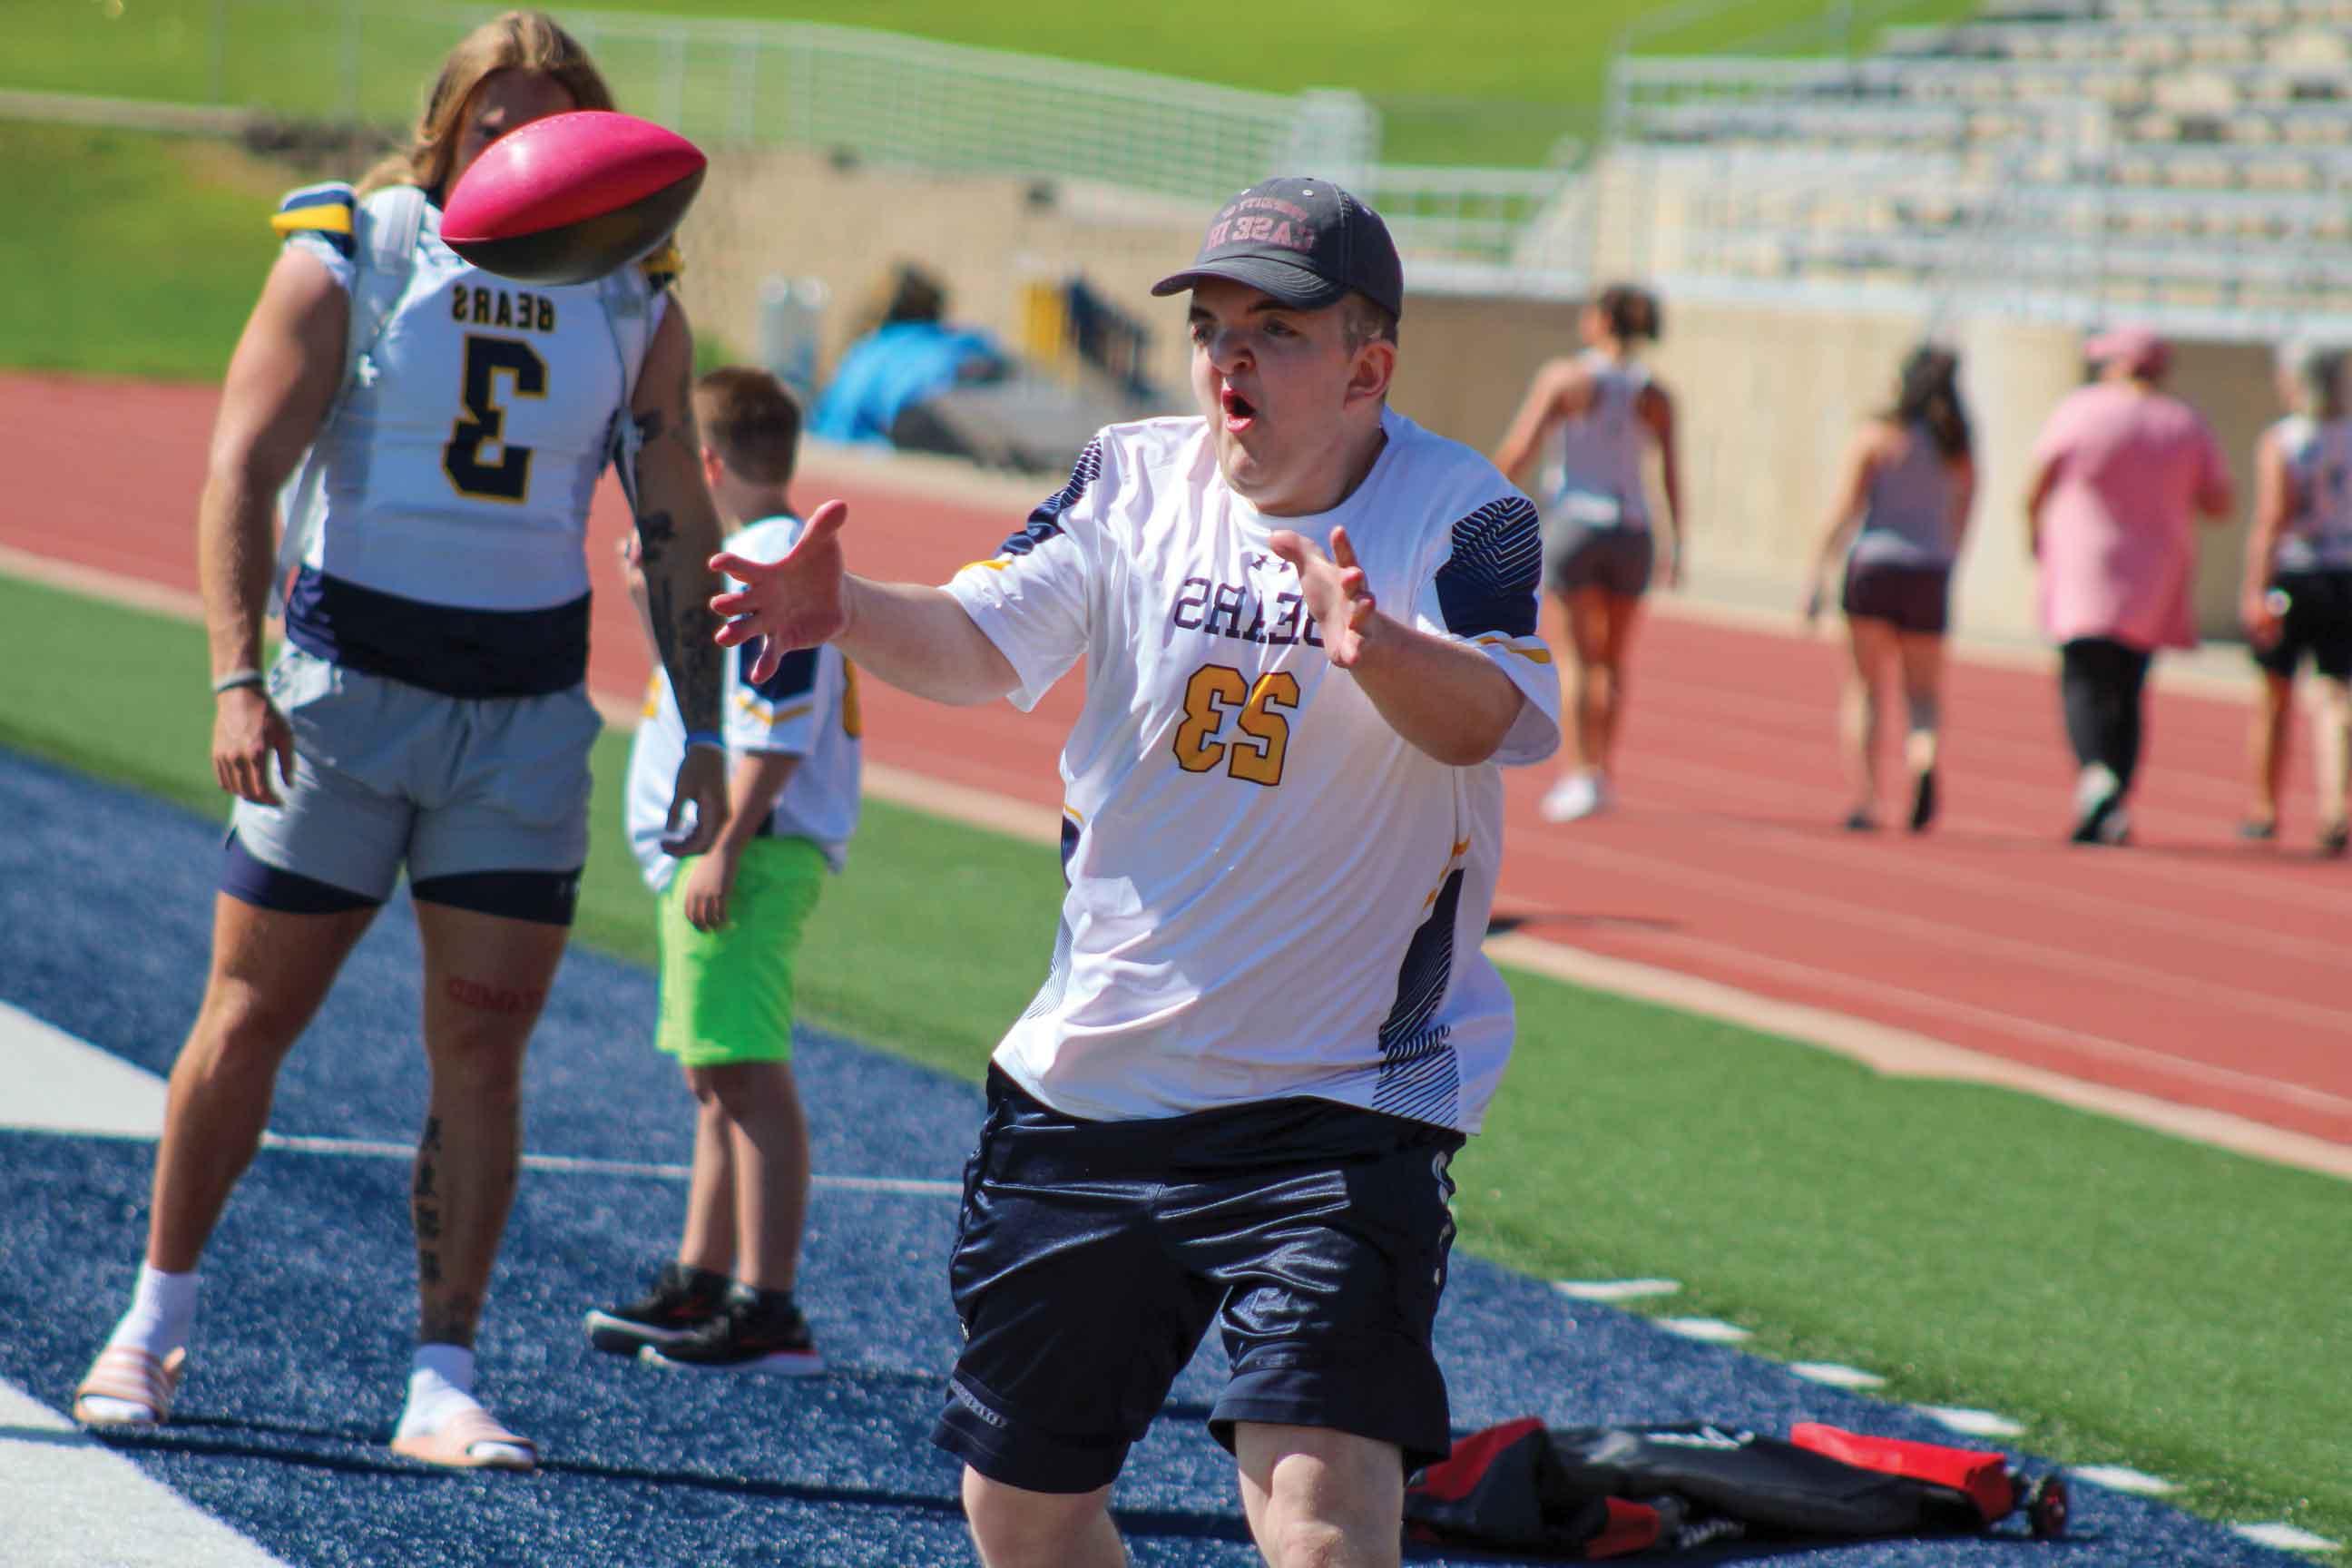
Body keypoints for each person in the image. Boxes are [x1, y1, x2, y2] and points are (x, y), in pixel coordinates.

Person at [710, 176, 1561, 1568]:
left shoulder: (1467, 517)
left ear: (1369, 365)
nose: (1230, 358)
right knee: (1024, 1516)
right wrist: (844, 611)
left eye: (1275, 332)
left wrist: (1379, 648)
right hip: (1097, 1085)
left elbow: (1507, 719)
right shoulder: (1126, 475)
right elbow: (987, 644)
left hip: (1339, 1103)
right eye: (1212, 325)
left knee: (1323, 1513)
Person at [72, 11, 732, 1472]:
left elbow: (675, 516)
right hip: (343, 698)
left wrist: (703, 723)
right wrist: (234, 675)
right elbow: (242, 461)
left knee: (484, 1056)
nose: (518, 146)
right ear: (447, 130)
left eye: (548, 122)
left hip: (520, 721)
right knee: (248, 1018)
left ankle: (443, 1374)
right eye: (492, 121)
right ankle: (152, 1319)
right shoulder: (358, 247)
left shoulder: (633, 290)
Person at [585, 368, 860, 1372]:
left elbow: (777, 733)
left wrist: (726, 845)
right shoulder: (753, 559)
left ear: (704, 466)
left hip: (748, 852)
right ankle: (705, 1276)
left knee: (745, 1075)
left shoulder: (770, 560)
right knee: (716, 1076)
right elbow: (726, 700)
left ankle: (768, 1302)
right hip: (728, 848)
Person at [2024, 324, 2234, 846]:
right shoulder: (2184, 423)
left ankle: (2097, 778)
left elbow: (2036, 483)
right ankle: (2112, 791)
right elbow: (2218, 501)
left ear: (2120, 364)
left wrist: (2034, 535)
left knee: (2083, 675)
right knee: (2129, 685)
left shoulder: (2082, 410)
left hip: (2084, 564)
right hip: (2154, 572)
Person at [1491, 283, 1683, 823]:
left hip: (1576, 524)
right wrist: (1677, 542)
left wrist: (1477, 506)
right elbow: (1669, 473)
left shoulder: (1566, 378)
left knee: (1577, 657)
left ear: (1601, 320)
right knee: (1614, 660)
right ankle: (1603, 773)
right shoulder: (1656, 393)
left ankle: (1578, 774)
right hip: (1632, 529)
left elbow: (1519, 449)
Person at [1802, 345, 1976, 832]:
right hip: (1928, 571)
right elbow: (1963, 517)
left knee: (1864, 688)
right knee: (1922, 693)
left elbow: (1846, 508)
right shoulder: (1956, 448)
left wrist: (1817, 571)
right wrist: (1946, 564)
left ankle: (1867, 800)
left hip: (1873, 566)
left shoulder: (1879, 436)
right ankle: (1923, 758)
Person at [2239, 339, 2352, 856]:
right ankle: (2333, 807)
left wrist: (2255, 589)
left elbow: (2271, 519)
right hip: (2344, 575)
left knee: (2275, 693)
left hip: (2296, 574)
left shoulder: (2284, 441)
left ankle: (2265, 807)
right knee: (2335, 697)